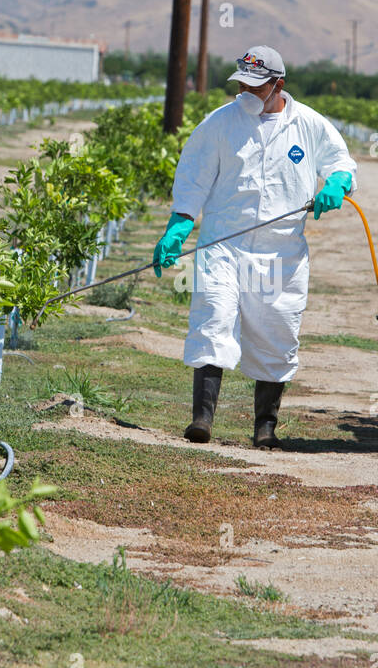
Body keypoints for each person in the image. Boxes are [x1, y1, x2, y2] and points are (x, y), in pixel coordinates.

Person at [152, 45, 358, 447]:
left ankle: (265, 427)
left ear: (277, 85)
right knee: (213, 318)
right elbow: (193, 179)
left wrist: (336, 184)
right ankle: (202, 421)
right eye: (242, 82)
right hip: (222, 246)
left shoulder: (310, 126)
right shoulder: (219, 124)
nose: (246, 89)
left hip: (281, 252)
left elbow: (341, 163)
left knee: (276, 334)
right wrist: (177, 229)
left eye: (255, 84)